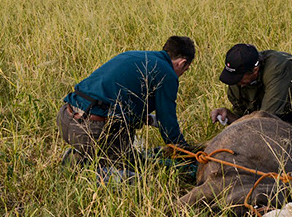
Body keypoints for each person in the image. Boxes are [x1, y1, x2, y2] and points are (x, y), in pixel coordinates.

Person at [58, 36, 196, 166]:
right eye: (186, 70)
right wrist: (186, 154)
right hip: (90, 131)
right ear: (182, 63)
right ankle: (83, 163)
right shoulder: (167, 73)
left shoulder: (134, 55)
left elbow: (113, 96)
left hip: (65, 118)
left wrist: (145, 118)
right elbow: (168, 123)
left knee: (132, 157)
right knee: (137, 171)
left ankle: (82, 155)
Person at [211, 43, 292, 139]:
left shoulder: (277, 67)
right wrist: (229, 116)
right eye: (232, 77)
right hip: (270, 116)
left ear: (255, 70)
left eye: (238, 78)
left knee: (286, 148)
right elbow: (244, 120)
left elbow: (265, 120)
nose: (235, 83)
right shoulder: (238, 81)